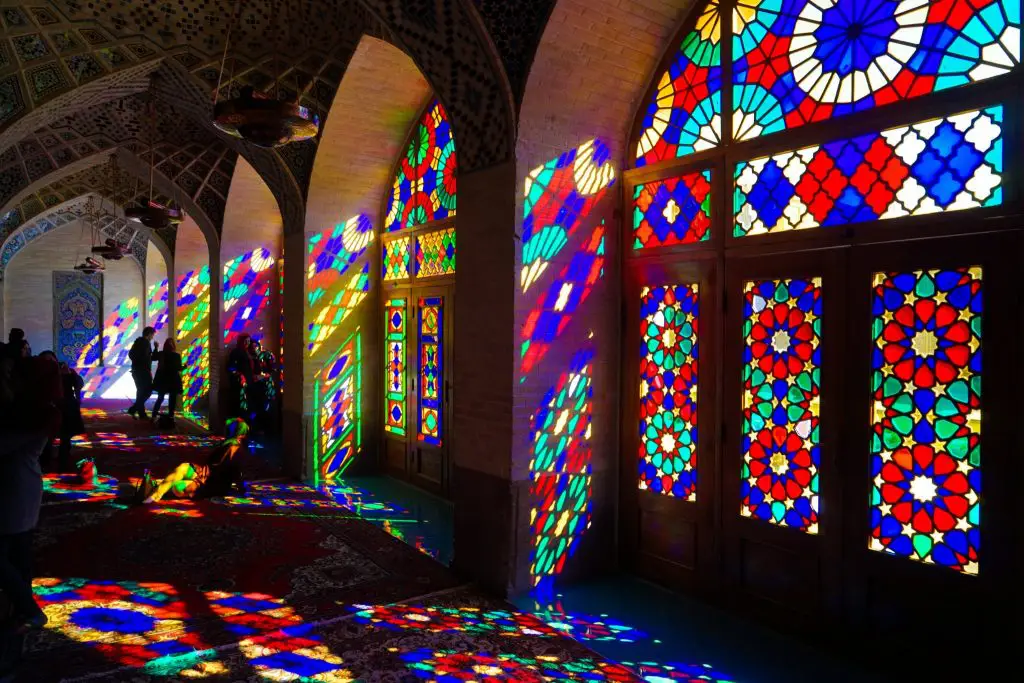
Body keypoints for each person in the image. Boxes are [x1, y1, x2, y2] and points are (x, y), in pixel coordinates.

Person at [0, 346, 62, 637]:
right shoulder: (32, 409)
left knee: (12, 552)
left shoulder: (34, 413)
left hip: (17, 487)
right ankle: (19, 610)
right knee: (19, 552)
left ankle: (27, 610)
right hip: (20, 485)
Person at [136, 419, 250, 503]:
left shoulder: (234, 448)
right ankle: (154, 495)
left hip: (211, 484)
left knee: (177, 487)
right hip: (205, 476)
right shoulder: (228, 444)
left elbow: (235, 471)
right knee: (184, 467)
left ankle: (157, 490)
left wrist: (241, 489)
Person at [36, 354, 84, 473]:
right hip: (55, 405)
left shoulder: (67, 372)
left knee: (64, 434)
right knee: (52, 435)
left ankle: (61, 457)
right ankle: (49, 458)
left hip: (64, 405)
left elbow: (78, 385)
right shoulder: (47, 373)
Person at [127, 327, 157, 420]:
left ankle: (141, 413)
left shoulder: (137, 342)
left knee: (140, 391)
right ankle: (135, 409)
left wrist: (137, 363)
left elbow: (131, 354)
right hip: (143, 371)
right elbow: (149, 358)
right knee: (148, 391)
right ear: (149, 334)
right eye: (152, 335)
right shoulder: (145, 343)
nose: (152, 337)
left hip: (136, 370)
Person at [151, 338, 183, 424]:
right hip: (173, 379)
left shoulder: (161, 354)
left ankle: (154, 415)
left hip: (162, 379)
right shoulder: (176, 355)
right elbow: (178, 368)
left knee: (160, 397)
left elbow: (153, 358)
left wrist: (156, 347)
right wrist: (185, 366)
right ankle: (171, 416)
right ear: (173, 346)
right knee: (172, 399)